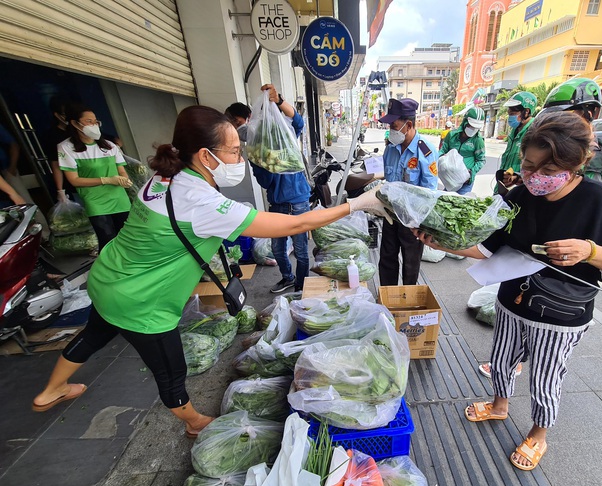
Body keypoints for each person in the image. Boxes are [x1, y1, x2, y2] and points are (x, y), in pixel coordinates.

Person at [31, 104, 387, 438]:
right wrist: (355, 204)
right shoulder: (199, 200)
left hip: (108, 277)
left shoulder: (164, 176)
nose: (239, 158)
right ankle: (193, 421)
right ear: (205, 155)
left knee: (95, 334)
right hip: (140, 302)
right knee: (171, 370)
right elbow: (295, 226)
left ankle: (50, 390)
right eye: (234, 151)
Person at [415, 111, 602, 471]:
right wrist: (441, 242)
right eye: (527, 164)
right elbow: (486, 246)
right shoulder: (519, 194)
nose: (532, 176)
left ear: (575, 165)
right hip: (513, 299)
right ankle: (499, 405)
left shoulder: (595, 199)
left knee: (546, 375)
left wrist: (591, 251)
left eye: (546, 172)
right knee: (502, 360)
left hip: (560, 313)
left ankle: (539, 434)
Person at [249, 84, 311, 294]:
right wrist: (263, 163)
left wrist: (279, 101)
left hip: (299, 202)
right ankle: (287, 278)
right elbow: (265, 182)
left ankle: (302, 285)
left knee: (302, 250)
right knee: (277, 249)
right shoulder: (258, 152)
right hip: (277, 204)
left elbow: (298, 120)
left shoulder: (288, 137)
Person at [378, 98, 439, 286]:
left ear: (409, 124)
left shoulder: (425, 152)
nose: (391, 130)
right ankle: (387, 297)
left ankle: (407, 299)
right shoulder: (391, 149)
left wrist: (418, 223)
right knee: (387, 258)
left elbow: (429, 193)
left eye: (394, 125)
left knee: (411, 264)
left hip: (413, 217)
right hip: (391, 214)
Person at [58, 104, 132, 250]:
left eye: (95, 121)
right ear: (74, 123)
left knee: (128, 238)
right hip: (95, 202)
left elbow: (121, 170)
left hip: (119, 199)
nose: (94, 125)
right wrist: (106, 180)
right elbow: (74, 179)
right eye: (88, 121)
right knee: (107, 240)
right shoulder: (66, 148)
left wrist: (124, 179)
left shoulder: (109, 146)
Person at [541, 78, 602, 187]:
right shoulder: (563, 145)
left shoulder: (593, 159)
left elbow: (585, 199)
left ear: (586, 114)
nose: (556, 123)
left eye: (563, 116)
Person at [495, 91, 537, 196]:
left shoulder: (535, 132)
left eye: (513, 113)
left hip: (519, 189)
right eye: (509, 113)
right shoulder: (514, 131)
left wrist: (518, 177)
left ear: (526, 112)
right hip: (504, 187)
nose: (510, 117)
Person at [438, 108, 486, 195]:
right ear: (465, 122)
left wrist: (471, 173)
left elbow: (481, 160)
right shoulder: (452, 135)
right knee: (446, 202)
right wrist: (441, 158)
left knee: (460, 205)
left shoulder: (478, 140)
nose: (473, 129)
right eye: (471, 126)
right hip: (450, 178)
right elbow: (442, 150)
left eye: (476, 127)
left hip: (465, 182)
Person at [42, 96, 76, 202]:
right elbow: (56, 164)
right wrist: (60, 190)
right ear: (57, 115)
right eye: (66, 114)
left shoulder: (79, 130)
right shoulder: (53, 136)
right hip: (73, 183)